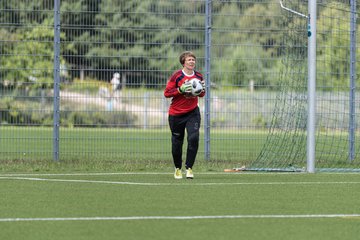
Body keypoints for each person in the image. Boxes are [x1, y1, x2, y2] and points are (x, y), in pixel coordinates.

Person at [164, 51, 205, 179]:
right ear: (183, 62)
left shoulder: (198, 76)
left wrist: (201, 88)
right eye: (189, 60)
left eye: (193, 59)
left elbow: (202, 94)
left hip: (193, 112)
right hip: (176, 114)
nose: (192, 61)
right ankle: (177, 168)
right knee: (177, 142)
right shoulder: (176, 76)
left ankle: (189, 168)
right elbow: (167, 93)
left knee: (193, 138)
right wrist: (180, 90)